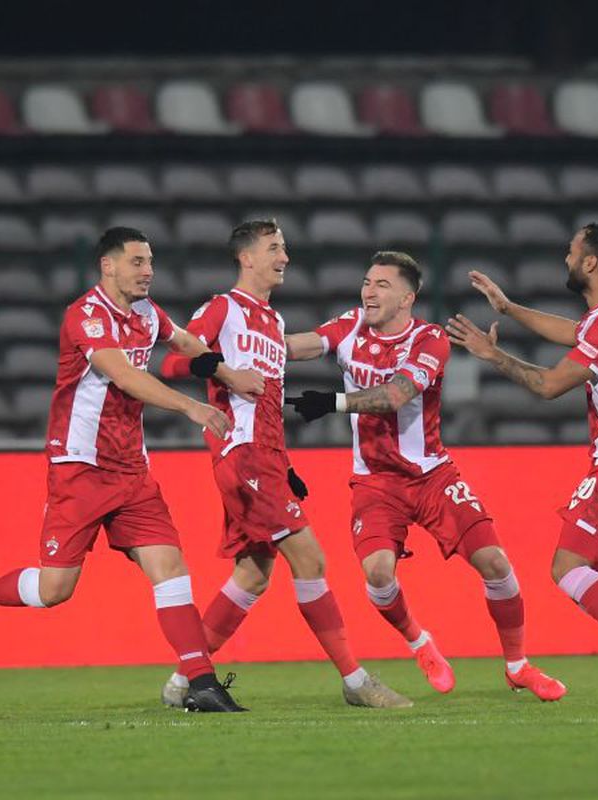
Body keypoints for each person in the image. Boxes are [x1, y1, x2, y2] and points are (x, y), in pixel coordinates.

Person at [0, 226, 266, 712]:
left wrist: (227, 372)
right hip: (81, 468)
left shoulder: (148, 314)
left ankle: (202, 682)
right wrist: (192, 408)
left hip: (132, 471)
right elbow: (126, 376)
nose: (148, 270)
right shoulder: (86, 315)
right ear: (107, 266)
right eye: (136, 261)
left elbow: (187, 344)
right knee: (55, 590)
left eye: (150, 261)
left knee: (170, 569)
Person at [283, 251, 565, 702]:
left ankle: (518, 665)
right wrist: (252, 339)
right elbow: (302, 345)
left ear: (406, 298)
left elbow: (396, 396)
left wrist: (332, 402)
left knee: (495, 563)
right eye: (366, 282)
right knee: (377, 573)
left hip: (432, 475)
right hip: (375, 482)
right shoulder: (351, 325)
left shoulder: (430, 340)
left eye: (381, 285)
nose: (368, 292)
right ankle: (421, 643)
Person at [158, 220, 410, 708]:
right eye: (275, 248)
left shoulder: (272, 325)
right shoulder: (222, 308)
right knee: (312, 559)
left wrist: (286, 466)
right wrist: (226, 372)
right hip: (243, 455)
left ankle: (182, 680)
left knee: (253, 575)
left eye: (285, 248)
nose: (285, 257)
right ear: (247, 257)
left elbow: (270, 400)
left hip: (266, 458)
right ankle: (356, 682)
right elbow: (172, 362)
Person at [446, 223, 598, 709]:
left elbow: (548, 386)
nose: (564, 257)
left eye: (571, 251)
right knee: (587, 574)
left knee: (568, 568)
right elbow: (572, 331)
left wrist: (492, 354)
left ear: (589, 264)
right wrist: (509, 309)